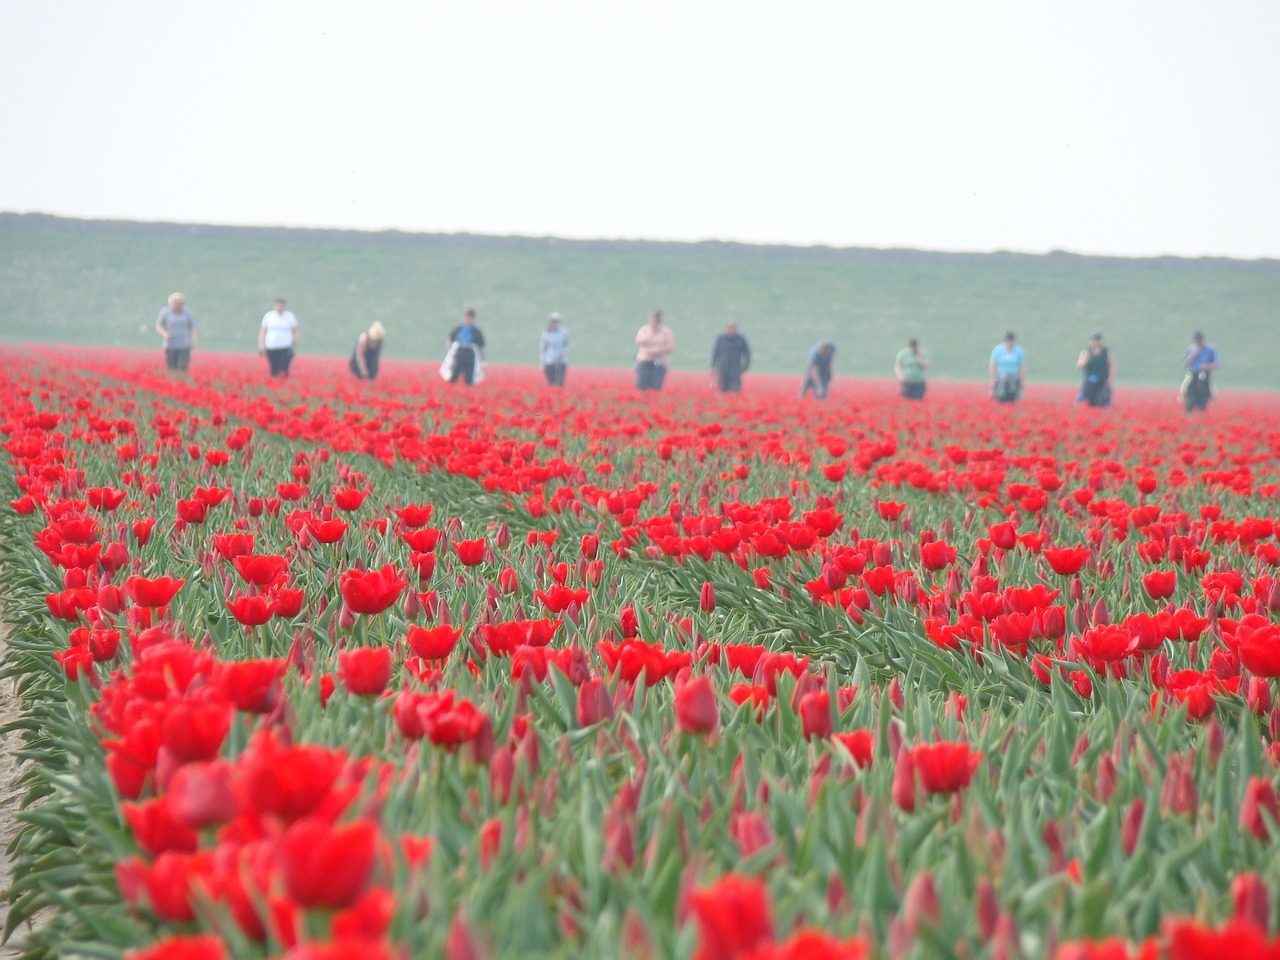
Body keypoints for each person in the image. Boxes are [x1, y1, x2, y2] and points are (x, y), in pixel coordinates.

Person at [156, 292, 196, 375]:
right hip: (170, 344)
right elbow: (158, 326)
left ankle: (181, 381)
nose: (178, 305)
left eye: (180, 303)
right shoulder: (165, 312)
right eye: (176, 303)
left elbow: (191, 327)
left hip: (184, 344)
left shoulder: (187, 313)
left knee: (183, 366)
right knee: (172, 367)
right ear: (171, 303)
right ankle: (173, 382)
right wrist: (164, 333)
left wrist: (193, 340)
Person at [445, 307, 487, 385]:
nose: (469, 320)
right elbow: (449, 339)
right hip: (459, 352)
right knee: (454, 374)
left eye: (471, 318)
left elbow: (481, 346)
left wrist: (482, 360)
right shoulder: (459, 329)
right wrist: (451, 351)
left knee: (469, 377)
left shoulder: (476, 331)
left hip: (470, 353)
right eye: (467, 317)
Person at [634, 310, 675, 391]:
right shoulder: (645, 330)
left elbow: (671, 346)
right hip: (644, 361)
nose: (653, 324)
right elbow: (638, 341)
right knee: (641, 384)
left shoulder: (666, 332)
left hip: (659, 363)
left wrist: (659, 349)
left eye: (654, 322)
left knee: (655, 386)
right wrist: (649, 334)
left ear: (658, 322)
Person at [259, 299, 299, 378]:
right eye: (278, 305)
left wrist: (294, 342)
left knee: (284, 368)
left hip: (285, 347)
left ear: (284, 306)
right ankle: (274, 383)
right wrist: (261, 346)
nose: (279, 307)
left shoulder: (290, 317)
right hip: (271, 347)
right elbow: (263, 332)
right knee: (274, 368)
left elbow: (296, 331)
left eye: (281, 305)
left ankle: (284, 384)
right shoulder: (269, 316)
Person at [1181, 330, 1219, 412]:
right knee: (1188, 393)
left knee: (1205, 395)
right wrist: (1193, 355)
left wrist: (1207, 366)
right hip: (1192, 374)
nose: (1198, 342)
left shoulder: (1211, 349)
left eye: (1199, 340)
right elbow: (1185, 364)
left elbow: (1216, 364)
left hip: (1204, 375)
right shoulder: (1191, 348)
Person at [710, 322, 751, 393]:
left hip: (735, 368)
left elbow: (747, 353)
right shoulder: (720, 339)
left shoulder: (741, 339)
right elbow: (715, 352)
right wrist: (713, 366)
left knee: (735, 388)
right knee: (722, 388)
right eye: (729, 329)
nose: (730, 330)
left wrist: (745, 366)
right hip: (723, 367)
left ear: (736, 329)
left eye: (732, 329)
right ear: (726, 329)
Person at [1076, 332, 1113, 407]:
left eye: (1098, 340)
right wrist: (1085, 360)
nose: (1096, 342)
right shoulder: (1086, 352)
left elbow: (1111, 366)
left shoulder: (1106, 352)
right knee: (1089, 400)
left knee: (1101, 401)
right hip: (1090, 380)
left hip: (1103, 380)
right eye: (1094, 340)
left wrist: (1110, 378)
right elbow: (1079, 365)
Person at [989, 330, 1025, 403]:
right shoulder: (998, 350)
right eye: (1009, 342)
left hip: (1014, 376)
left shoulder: (1019, 351)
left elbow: (1022, 366)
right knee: (1001, 393)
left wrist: (1022, 380)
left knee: (1013, 391)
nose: (1011, 344)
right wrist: (992, 379)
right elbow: (993, 365)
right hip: (1001, 376)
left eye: (1012, 342)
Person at [539, 312, 569, 386]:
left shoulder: (563, 332)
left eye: (556, 321)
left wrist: (564, 351)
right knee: (551, 382)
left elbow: (567, 344)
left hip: (561, 361)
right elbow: (543, 348)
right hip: (549, 361)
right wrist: (542, 363)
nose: (554, 323)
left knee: (559, 383)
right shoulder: (545, 333)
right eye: (552, 321)